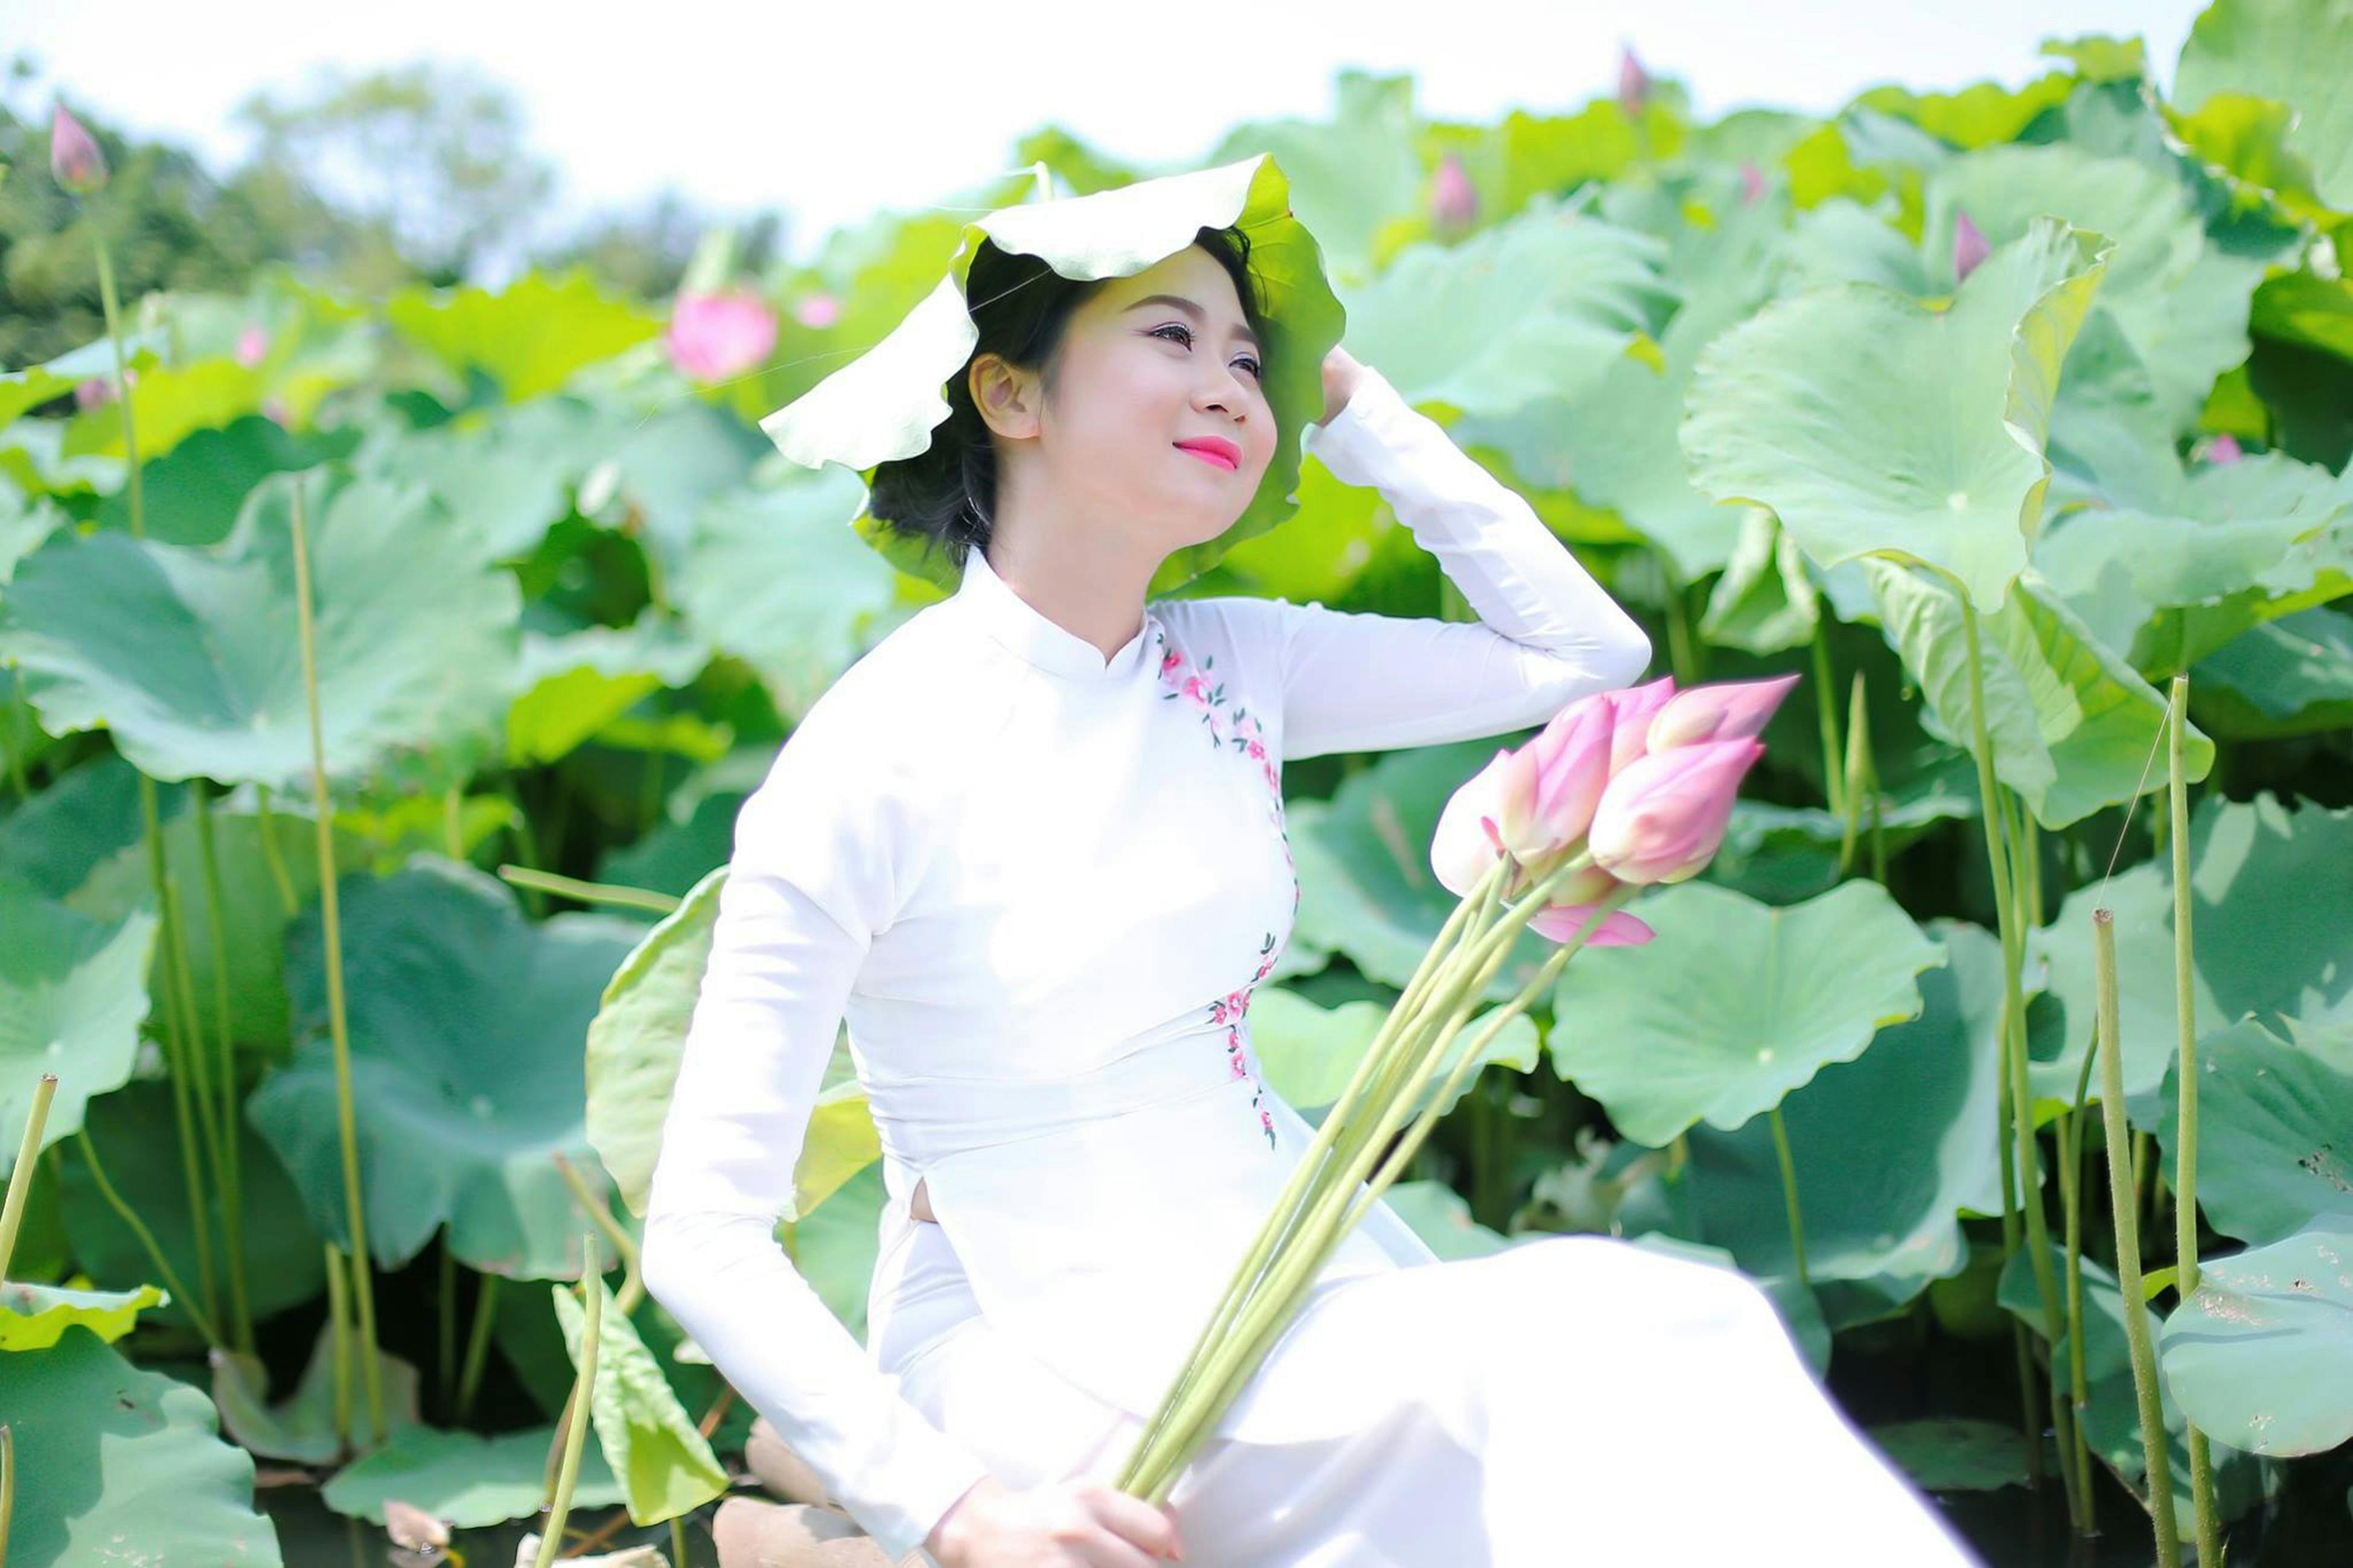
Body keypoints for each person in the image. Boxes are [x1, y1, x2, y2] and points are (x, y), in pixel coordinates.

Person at [637, 156, 1982, 1567]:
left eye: (1246, 357)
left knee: (1667, 1326)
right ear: (1008, 394)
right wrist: (953, 1513)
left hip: (1285, 1274)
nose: (1231, 386)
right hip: (1022, 1338)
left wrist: (1357, 409)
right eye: (1170, 337)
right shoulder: (872, 754)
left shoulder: (1234, 664)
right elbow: (700, 1234)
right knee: (1550, 1402)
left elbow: (1583, 656)